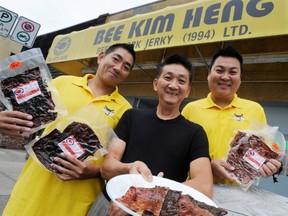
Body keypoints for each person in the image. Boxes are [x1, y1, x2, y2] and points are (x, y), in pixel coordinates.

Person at [2, 43, 136, 216]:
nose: (118, 68)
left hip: (75, 203)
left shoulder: (125, 110)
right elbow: (26, 118)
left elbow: (117, 162)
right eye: (115, 59)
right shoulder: (62, 83)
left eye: (126, 67)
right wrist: (6, 121)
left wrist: (94, 171)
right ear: (101, 57)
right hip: (32, 191)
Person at [88, 55, 213, 216]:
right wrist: (129, 167)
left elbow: (204, 186)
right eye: (168, 78)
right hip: (111, 204)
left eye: (181, 81)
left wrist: (145, 199)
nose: (173, 85)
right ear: (155, 84)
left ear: (187, 90)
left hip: (155, 212)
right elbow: (107, 168)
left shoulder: (195, 133)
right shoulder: (131, 117)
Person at [182, 45, 282, 185]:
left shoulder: (255, 110)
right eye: (219, 70)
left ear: (240, 79)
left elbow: (262, 154)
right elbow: (178, 154)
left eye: (233, 72)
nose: (225, 77)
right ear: (209, 74)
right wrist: (208, 166)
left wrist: (268, 166)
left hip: (239, 194)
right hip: (197, 188)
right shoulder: (191, 109)